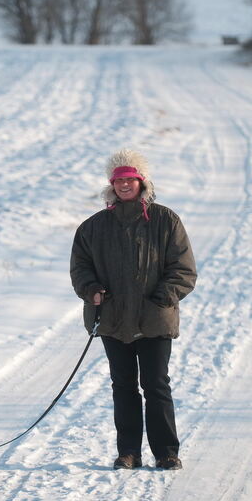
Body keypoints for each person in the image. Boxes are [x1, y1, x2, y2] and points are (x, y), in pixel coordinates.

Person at [70, 149, 197, 470]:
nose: (125, 185)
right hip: (112, 320)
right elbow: (80, 268)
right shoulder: (93, 227)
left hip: (155, 319)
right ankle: (128, 453)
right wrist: (91, 289)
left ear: (142, 181)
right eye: (119, 180)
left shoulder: (165, 220)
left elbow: (183, 270)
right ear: (112, 185)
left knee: (156, 386)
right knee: (123, 388)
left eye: (130, 179)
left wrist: (161, 299)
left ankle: (167, 452)